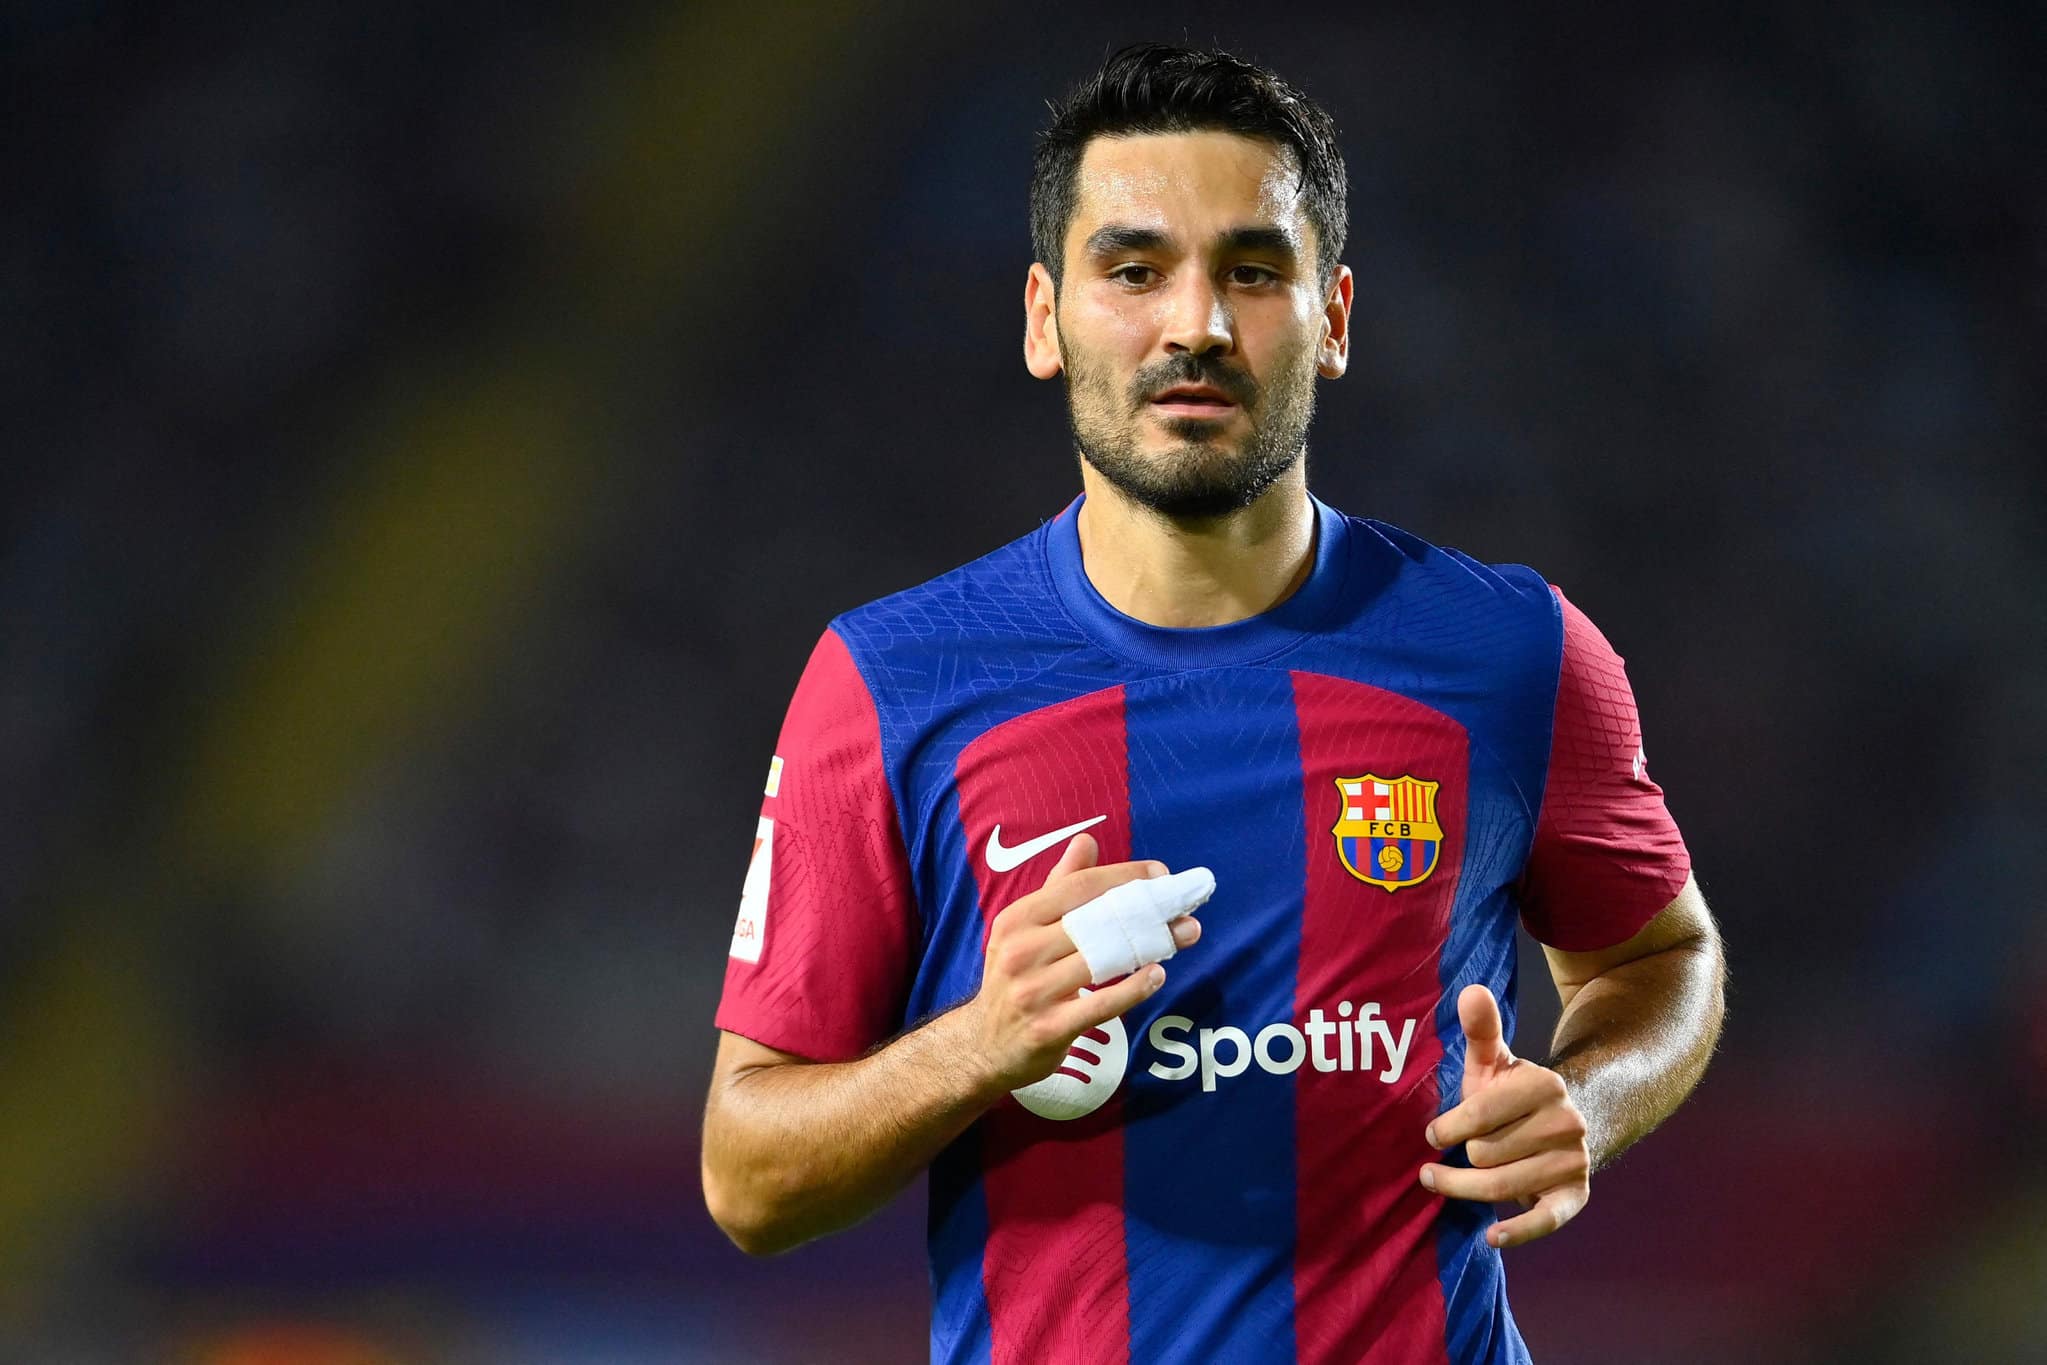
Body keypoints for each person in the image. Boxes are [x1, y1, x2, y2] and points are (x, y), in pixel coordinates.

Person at [701, 42, 1726, 1365]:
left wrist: (1586, 1099)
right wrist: (981, 1044)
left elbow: (1661, 961)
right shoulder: (891, 682)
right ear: (1044, 318)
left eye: (1252, 270)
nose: (1196, 324)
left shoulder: (1515, 652)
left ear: (1334, 318)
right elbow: (750, 1178)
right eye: (1134, 271)